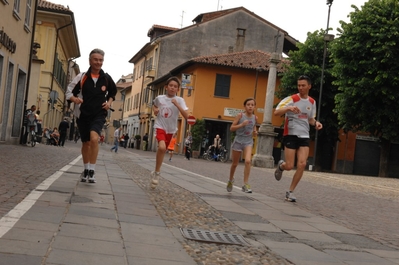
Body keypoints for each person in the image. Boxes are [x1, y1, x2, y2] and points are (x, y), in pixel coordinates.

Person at [66, 48, 117, 183]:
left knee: (94, 138)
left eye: (100, 60)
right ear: (90, 61)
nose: (98, 62)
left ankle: (92, 170)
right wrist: (75, 99)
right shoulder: (82, 77)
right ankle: (86, 168)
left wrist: (109, 103)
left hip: (99, 113)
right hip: (83, 114)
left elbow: (113, 92)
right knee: (86, 143)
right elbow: (69, 92)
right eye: (95, 59)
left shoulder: (106, 78)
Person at [274, 75, 323, 202]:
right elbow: (276, 112)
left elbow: (311, 119)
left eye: (303, 85)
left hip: (304, 135)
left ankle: (290, 192)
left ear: (309, 86)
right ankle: (281, 167)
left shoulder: (312, 102)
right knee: (290, 166)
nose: (300, 88)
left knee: (302, 164)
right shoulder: (291, 99)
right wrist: (289, 108)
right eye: (299, 85)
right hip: (290, 134)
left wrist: (316, 123)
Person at [150, 76, 189, 189]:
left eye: (175, 86)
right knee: (161, 148)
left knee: (163, 150)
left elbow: (187, 116)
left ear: (178, 89)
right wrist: (155, 110)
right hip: (160, 126)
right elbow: (155, 105)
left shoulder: (180, 100)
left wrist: (177, 104)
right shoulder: (159, 98)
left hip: (171, 129)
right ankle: (157, 173)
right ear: (166, 87)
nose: (172, 88)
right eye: (171, 86)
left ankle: (156, 171)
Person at [227, 98, 258, 193]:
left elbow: (254, 126)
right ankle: (230, 180)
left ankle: (245, 184)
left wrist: (255, 131)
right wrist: (241, 125)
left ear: (254, 107)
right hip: (238, 141)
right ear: (244, 106)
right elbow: (231, 128)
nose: (250, 106)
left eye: (252, 105)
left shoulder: (255, 117)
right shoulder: (240, 116)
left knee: (248, 161)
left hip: (248, 141)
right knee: (235, 164)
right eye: (248, 104)